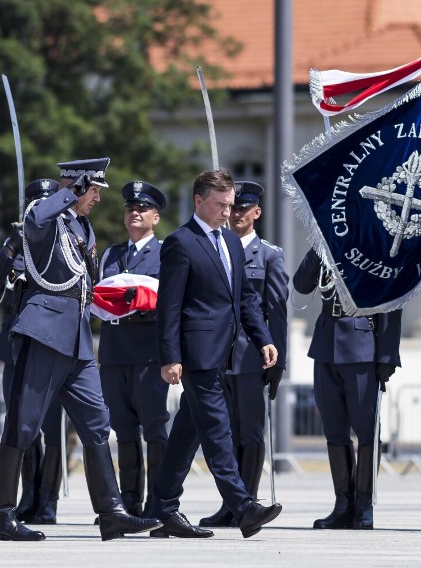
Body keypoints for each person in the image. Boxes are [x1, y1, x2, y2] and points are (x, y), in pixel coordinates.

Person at [0, 158, 162, 541]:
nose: (98, 198)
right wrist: (69, 190)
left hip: (78, 338)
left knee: (97, 423)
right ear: (77, 187)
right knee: (24, 424)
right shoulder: (46, 218)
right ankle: (0, 515)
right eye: (94, 190)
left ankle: (112, 512)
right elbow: (34, 220)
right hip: (46, 331)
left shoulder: (82, 226)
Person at [151, 168, 282, 539]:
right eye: (221, 204)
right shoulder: (181, 242)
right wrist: (169, 356)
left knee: (186, 434)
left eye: (230, 204)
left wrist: (263, 338)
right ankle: (242, 506)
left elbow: (244, 299)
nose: (228, 211)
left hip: (223, 352)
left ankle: (162, 509)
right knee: (218, 429)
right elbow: (169, 306)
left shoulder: (230, 242)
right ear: (198, 201)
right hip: (195, 355)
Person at [198, 181, 288, 528]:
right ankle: (231, 503)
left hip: (251, 356)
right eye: (232, 207)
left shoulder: (269, 254)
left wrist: (278, 359)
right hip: (220, 354)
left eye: (242, 208)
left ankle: (246, 502)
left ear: (256, 213)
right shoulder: (219, 247)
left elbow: (276, 310)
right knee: (226, 432)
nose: (235, 214)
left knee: (250, 433)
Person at [293, 252, 401, 530]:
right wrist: (318, 244)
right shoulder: (327, 242)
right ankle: (343, 504)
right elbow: (302, 284)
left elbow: (392, 300)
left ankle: (364, 504)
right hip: (326, 343)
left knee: (366, 430)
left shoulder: (376, 245)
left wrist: (387, 355)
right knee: (334, 430)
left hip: (362, 342)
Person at [0, 178, 65, 525]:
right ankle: (26, 498)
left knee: (52, 430)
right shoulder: (18, 242)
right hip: (17, 347)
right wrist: (11, 249)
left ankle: (47, 501)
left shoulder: (65, 242)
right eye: (34, 202)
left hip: (51, 344)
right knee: (21, 427)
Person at [98, 181, 169, 517]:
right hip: (115, 350)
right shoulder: (111, 254)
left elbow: (170, 301)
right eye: (130, 208)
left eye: (142, 209)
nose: (135, 213)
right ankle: (128, 503)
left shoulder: (166, 252)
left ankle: (158, 503)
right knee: (123, 431)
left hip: (148, 351)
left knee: (154, 429)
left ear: (155, 217)